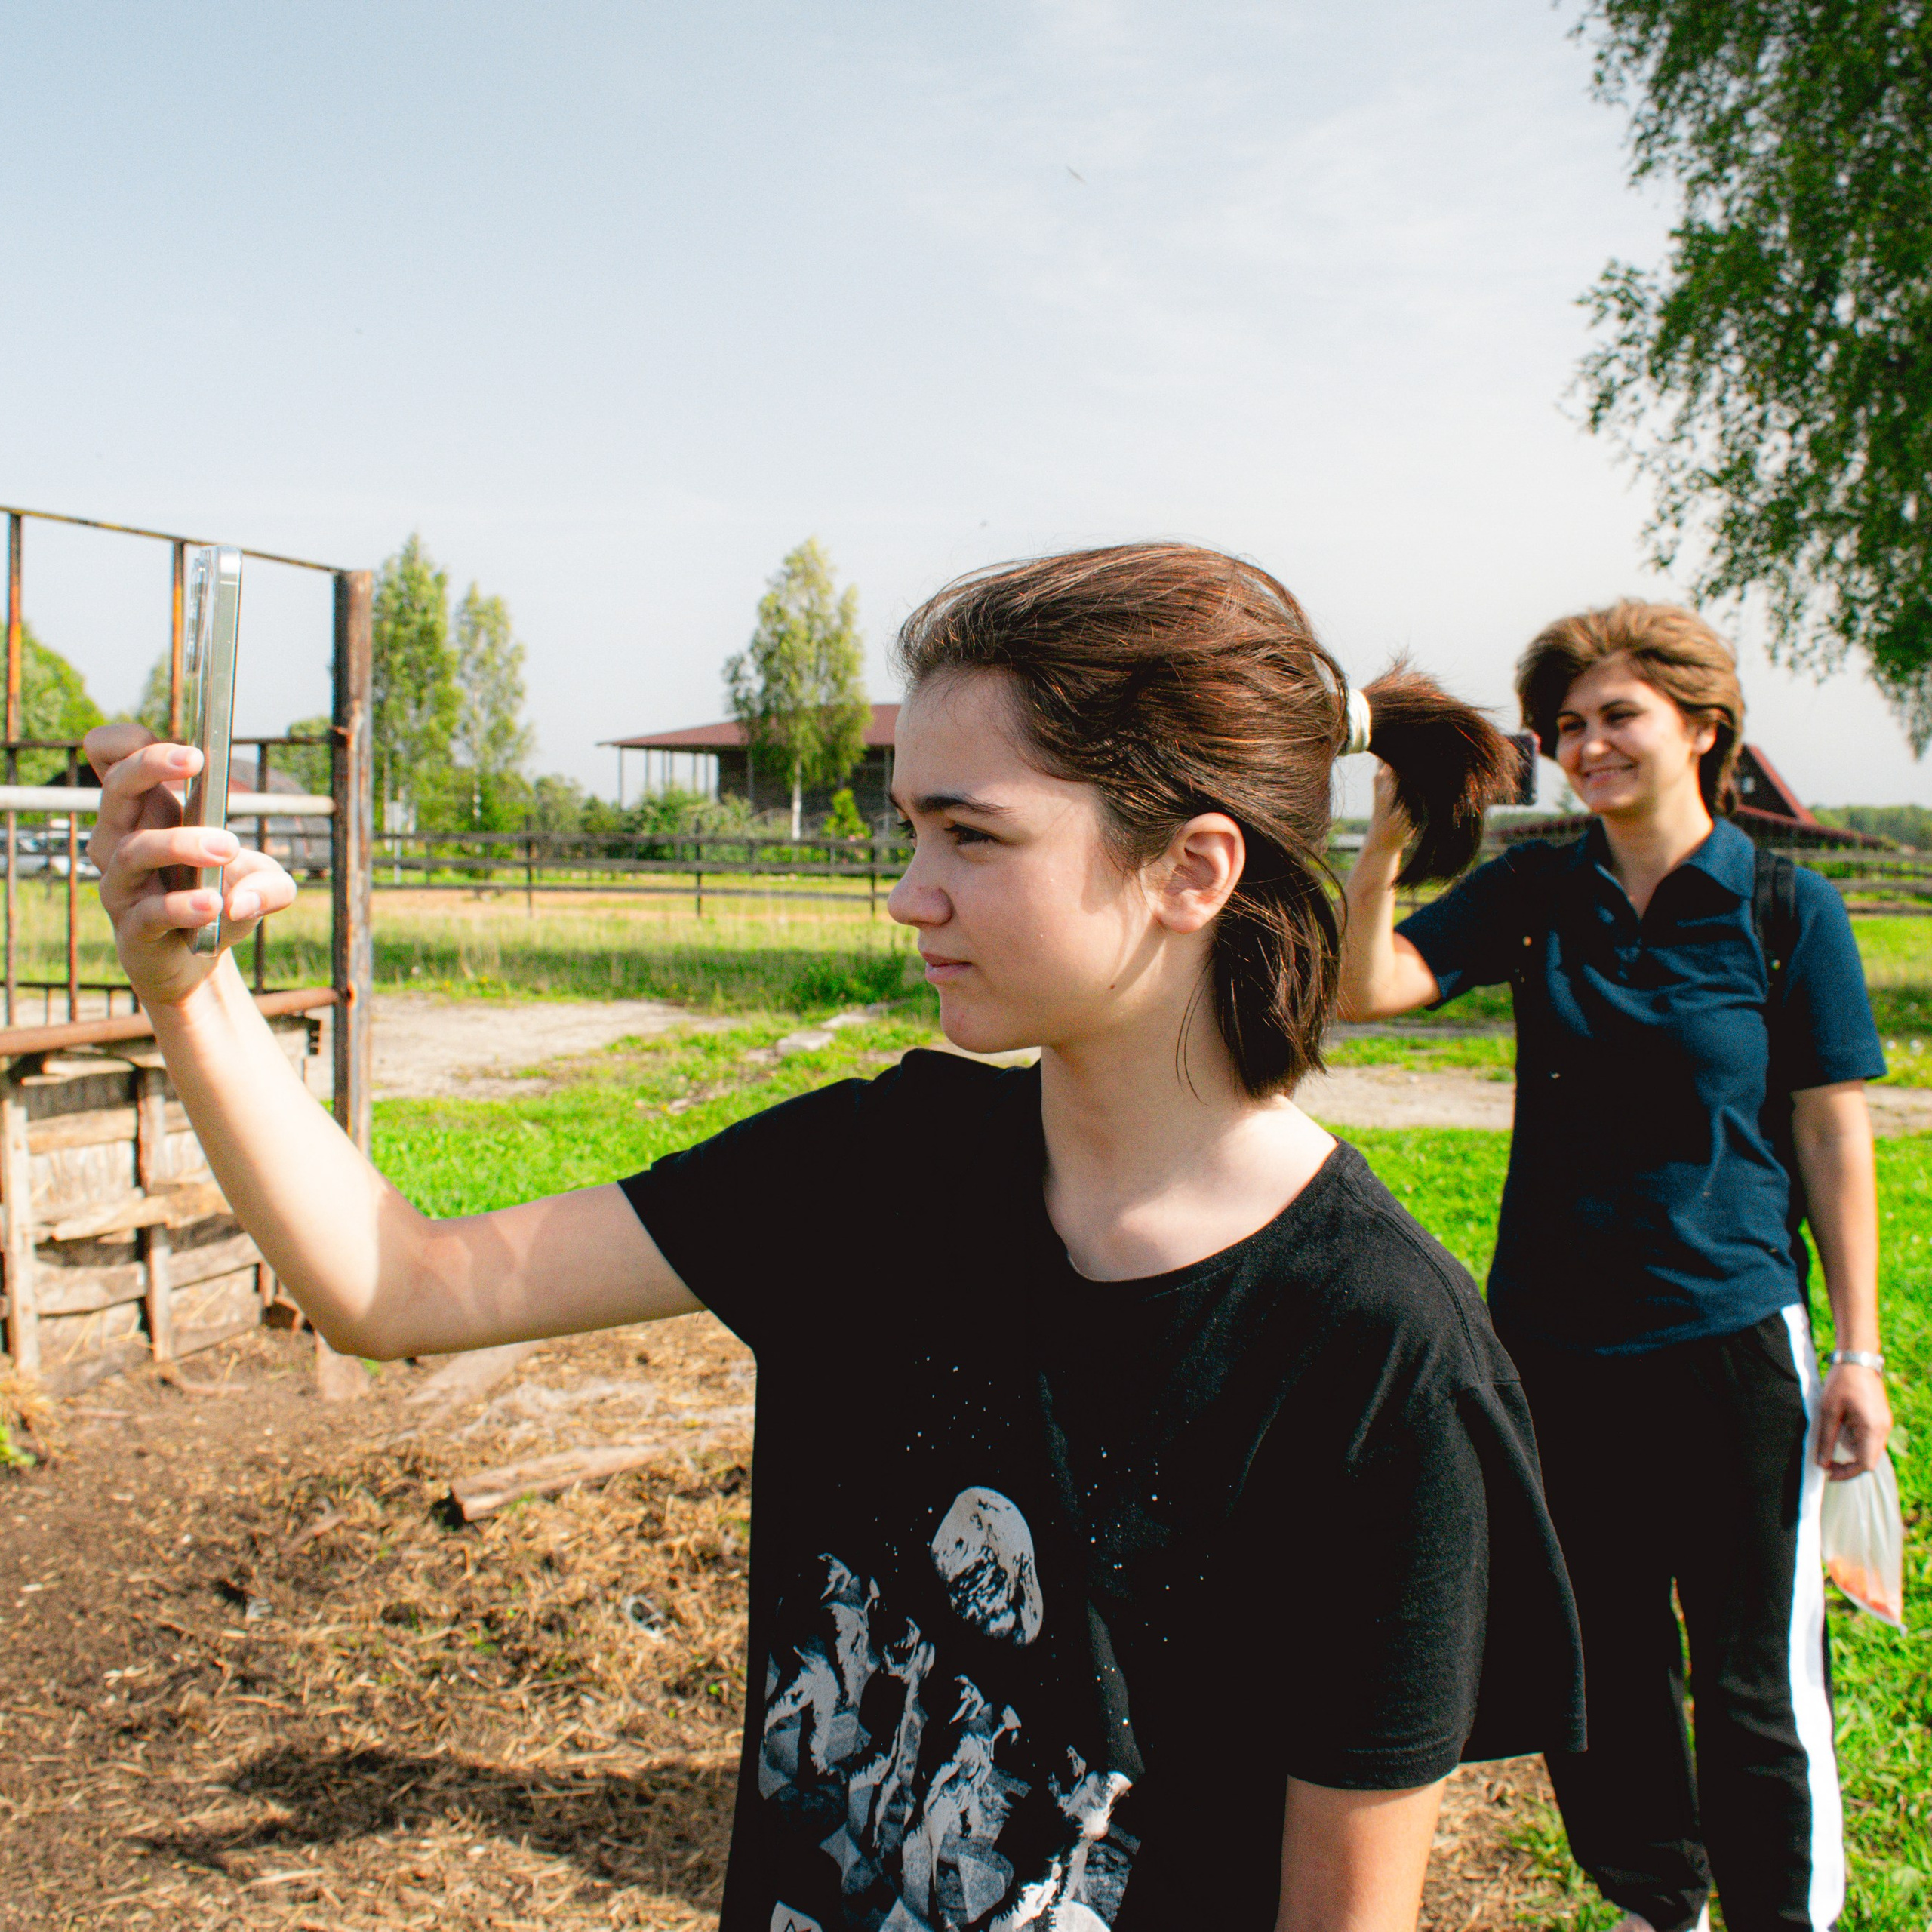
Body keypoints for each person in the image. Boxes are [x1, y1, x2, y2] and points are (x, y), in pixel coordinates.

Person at [84, 543, 1585, 1932]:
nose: (904, 891)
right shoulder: (875, 1176)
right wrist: (191, 988)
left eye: (969, 835)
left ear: (1190, 869)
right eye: (910, 825)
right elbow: (393, 1283)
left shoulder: (1378, 1354)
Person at [1338, 599, 1892, 1932]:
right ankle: (1662, 1904)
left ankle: (1779, 1915)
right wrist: (1383, 853)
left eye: (1620, 717)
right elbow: (1369, 992)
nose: (1588, 746)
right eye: (1570, 726)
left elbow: (1831, 1135)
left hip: (1731, 1342)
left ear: (1703, 728)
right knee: (1608, 1665)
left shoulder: (1781, 908)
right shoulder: (1537, 893)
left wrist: (1861, 1352)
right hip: (1557, 1349)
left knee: (1758, 1681)